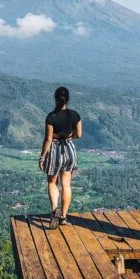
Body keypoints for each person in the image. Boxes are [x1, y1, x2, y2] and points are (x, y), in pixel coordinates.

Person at [38, 86, 82, 229]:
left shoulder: (52, 117)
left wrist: (42, 157)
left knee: (52, 182)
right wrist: (69, 137)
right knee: (66, 184)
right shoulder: (75, 115)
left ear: (55, 99)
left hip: (55, 150)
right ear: (68, 99)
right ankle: (63, 217)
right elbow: (78, 135)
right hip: (69, 149)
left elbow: (48, 139)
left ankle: (54, 209)